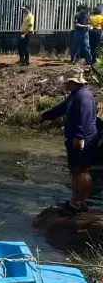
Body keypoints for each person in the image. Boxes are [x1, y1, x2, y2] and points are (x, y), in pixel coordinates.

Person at [42, 68, 98, 213]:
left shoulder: (83, 97)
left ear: (73, 82)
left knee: (81, 170)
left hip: (82, 138)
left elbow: (84, 118)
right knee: (75, 170)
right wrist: (46, 116)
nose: (64, 85)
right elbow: (62, 108)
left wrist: (79, 137)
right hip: (76, 137)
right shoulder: (75, 95)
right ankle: (77, 200)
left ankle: (79, 202)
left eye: (66, 82)